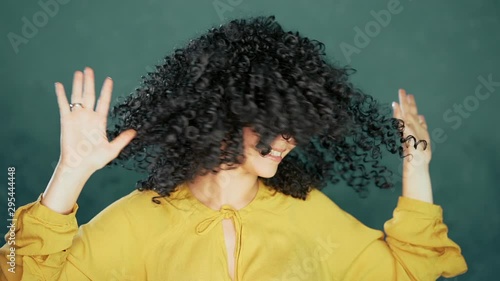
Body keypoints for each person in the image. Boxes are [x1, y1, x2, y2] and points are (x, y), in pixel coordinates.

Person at [1, 16, 467, 281]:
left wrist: (417, 165)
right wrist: (70, 173)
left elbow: (407, 271)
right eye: (275, 124)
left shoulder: (308, 215)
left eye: (297, 126)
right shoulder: (139, 220)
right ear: (221, 111)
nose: (289, 139)